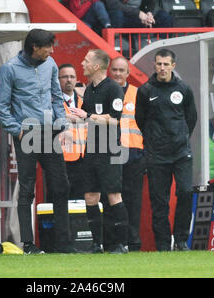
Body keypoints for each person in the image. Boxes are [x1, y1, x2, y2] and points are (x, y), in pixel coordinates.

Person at [0, 29, 76, 254]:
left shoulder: (50, 64)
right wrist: (17, 131)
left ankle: (63, 243)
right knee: (27, 189)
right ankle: (28, 244)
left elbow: (57, 98)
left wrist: (62, 124)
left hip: (50, 133)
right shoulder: (9, 69)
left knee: (61, 186)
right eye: (47, 46)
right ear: (34, 48)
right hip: (26, 135)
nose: (51, 50)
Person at [135, 49, 197, 251]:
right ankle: (163, 244)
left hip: (181, 153)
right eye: (159, 64)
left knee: (186, 192)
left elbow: (191, 119)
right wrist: (155, 139)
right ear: (155, 65)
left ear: (173, 66)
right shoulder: (145, 91)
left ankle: (180, 240)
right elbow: (140, 120)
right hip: (156, 154)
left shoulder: (184, 89)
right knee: (159, 201)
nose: (162, 68)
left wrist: (179, 137)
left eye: (166, 64)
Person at [70, 49, 129, 254]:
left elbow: (114, 120)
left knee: (114, 195)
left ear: (96, 66)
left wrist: (87, 115)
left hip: (109, 149)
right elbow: (84, 117)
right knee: (90, 197)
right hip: (92, 149)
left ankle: (122, 244)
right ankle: (97, 245)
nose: (82, 63)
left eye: (86, 60)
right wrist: (66, 117)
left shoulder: (113, 88)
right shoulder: (89, 89)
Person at [105, 56, 146, 251]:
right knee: (109, 199)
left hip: (134, 154)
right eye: (115, 70)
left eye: (122, 70)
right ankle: (114, 242)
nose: (118, 74)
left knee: (133, 200)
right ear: (109, 71)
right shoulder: (101, 93)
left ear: (128, 73)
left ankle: (132, 242)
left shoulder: (138, 94)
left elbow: (147, 125)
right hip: (109, 154)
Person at [58, 63, 86, 201]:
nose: (69, 79)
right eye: (64, 77)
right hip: (61, 161)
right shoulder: (52, 102)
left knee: (80, 202)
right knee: (61, 199)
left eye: (72, 76)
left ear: (76, 79)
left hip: (83, 159)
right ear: (58, 80)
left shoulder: (84, 101)